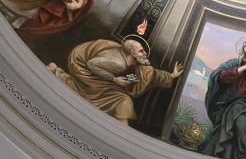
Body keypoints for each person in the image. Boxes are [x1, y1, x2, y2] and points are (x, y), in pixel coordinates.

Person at [47, 37, 184, 126]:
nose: (145, 54)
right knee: (119, 98)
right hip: (82, 67)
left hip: (98, 70)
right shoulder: (118, 63)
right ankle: (122, 132)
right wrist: (114, 80)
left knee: (119, 97)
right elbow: (92, 64)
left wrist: (171, 76)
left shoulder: (132, 64)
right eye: (141, 51)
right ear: (132, 53)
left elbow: (147, 76)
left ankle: (57, 73)